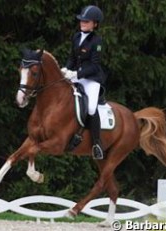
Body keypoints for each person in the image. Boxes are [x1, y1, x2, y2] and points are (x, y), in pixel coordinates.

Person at [61, 5, 106, 160]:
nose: (83, 23)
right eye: (82, 21)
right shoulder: (75, 37)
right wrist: (66, 69)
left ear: (95, 24)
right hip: (75, 75)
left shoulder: (97, 41)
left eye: (87, 22)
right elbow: (72, 57)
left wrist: (77, 73)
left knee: (91, 108)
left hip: (91, 79)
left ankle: (96, 143)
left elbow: (94, 66)